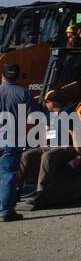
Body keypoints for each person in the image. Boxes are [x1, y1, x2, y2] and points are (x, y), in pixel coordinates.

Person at [0, 63, 38, 222]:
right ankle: (5, 211)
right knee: (7, 175)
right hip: (11, 137)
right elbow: (34, 117)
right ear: (17, 76)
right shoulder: (24, 93)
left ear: (2, 76)